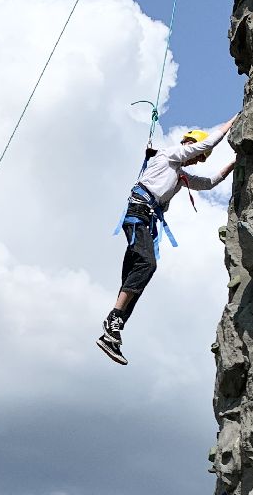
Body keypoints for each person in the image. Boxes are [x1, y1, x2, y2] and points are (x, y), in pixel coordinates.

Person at [97, 119, 237, 365]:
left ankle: (113, 330)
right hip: (139, 213)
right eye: (198, 155)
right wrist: (234, 120)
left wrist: (236, 161)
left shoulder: (179, 175)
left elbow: (210, 183)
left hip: (145, 219)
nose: (197, 160)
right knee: (147, 264)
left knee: (135, 275)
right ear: (189, 144)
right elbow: (209, 142)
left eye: (200, 159)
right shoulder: (169, 154)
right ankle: (113, 318)